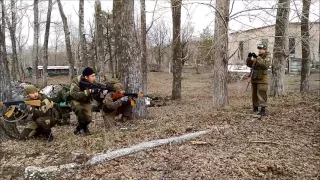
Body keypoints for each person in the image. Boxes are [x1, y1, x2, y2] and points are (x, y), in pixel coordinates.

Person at [70, 67, 99, 135]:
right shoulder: (76, 81)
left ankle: (78, 129)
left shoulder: (93, 82)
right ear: (86, 77)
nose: (94, 78)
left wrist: (100, 92)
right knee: (79, 109)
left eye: (94, 76)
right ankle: (84, 128)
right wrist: (90, 91)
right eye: (92, 76)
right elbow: (74, 95)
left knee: (88, 119)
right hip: (75, 100)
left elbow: (96, 94)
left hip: (86, 101)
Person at [246, 43, 271, 117]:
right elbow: (250, 65)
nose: (259, 50)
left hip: (262, 78)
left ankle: (263, 109)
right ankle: (255, 107)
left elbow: (265, 65)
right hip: (255, 78)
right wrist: (249, 58)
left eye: (261, 49)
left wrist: (257, 58)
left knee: (261, 93)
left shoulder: (268, 56)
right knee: (254, 94)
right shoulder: (258, 57)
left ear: (265, 49)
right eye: (259, 49)